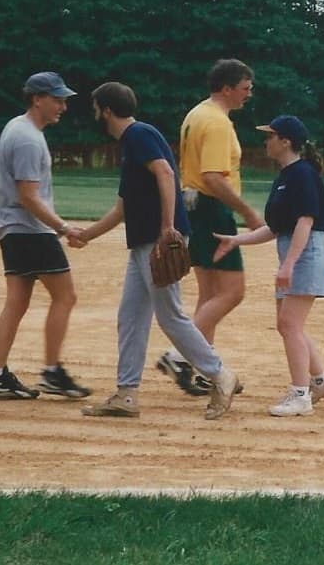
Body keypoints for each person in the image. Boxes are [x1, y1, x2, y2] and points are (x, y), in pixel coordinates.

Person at [74, 82, 238, 420]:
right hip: (144, 243)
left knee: (169, 315)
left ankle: (219, 373)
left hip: (158, 240)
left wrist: (167, 226)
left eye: (95, 108)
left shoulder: (138, 134)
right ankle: (126, 394)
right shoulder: (131, 144)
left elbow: (165, 173)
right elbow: (122, 208)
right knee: (131, 316)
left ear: (106, 109)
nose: (94, 114)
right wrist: (86, 235)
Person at [213, 115, 324, 416]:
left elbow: (306, 221)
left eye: (271, 136)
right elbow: (276, 227)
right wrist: (237, 240)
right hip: (296, 253)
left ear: (286, 141)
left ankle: (300, 395)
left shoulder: (303, 174)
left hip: (306, 253)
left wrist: (290, 264)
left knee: (288, 324)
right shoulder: (286, 175)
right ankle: (320, 381)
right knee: (290, 324)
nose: (265, 141)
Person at [157, 59, 264, 396]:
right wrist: (246, 211)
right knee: (233, 292)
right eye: (245, 88)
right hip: (212, 207)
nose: (249, 94)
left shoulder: (196, 114)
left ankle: (206, 370)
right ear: (227, 88)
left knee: (210, 294)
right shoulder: (217, 123)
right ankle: (178, 356)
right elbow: (214, 178)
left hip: (193, 205)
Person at [0, 72, 90, 400]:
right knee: (65, 296)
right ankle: (51, 371)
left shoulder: (16, 127)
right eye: (57, 100)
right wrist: (63, 227)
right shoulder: (29, 138)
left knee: (16, 301)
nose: (63, 106)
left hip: (13, 229)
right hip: (30, 230)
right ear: (37, 99)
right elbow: (29, 196)